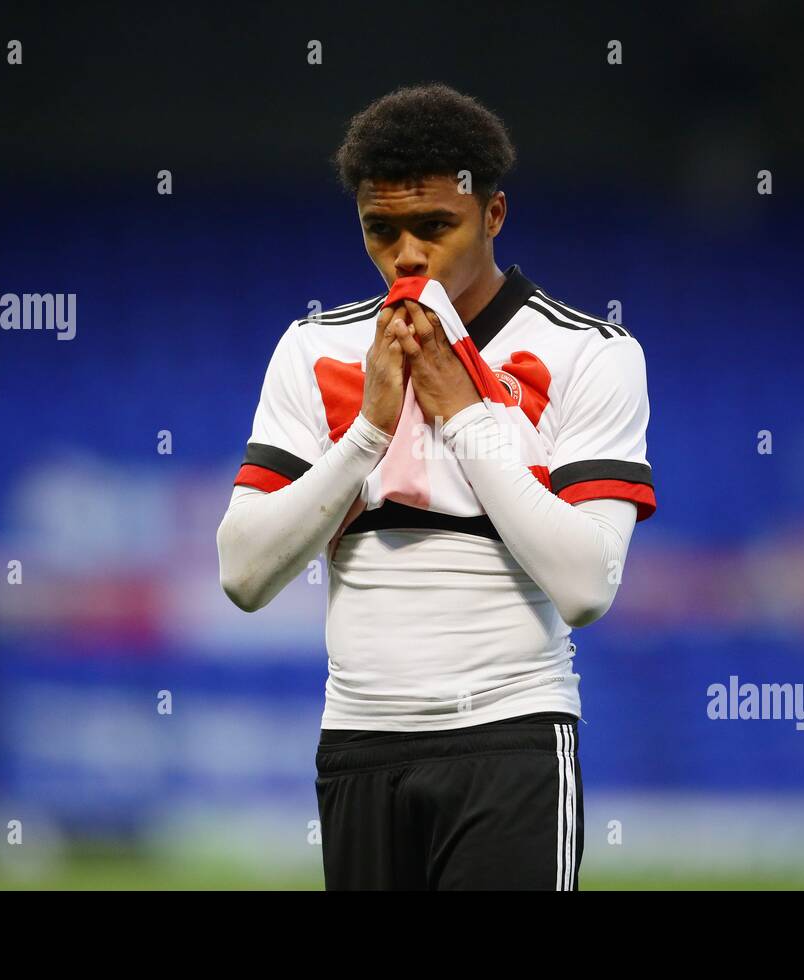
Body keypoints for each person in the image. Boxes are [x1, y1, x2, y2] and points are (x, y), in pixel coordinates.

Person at [216, 82, 656, 890]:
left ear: (493, 215)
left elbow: (588, 586)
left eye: (435, 226)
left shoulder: (591, 354)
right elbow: (242, 574)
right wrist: (367, 437)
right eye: (381, 231)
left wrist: (462, 412)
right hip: (357, 743)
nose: (407, 256)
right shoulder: (314, 348)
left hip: (511, 737)